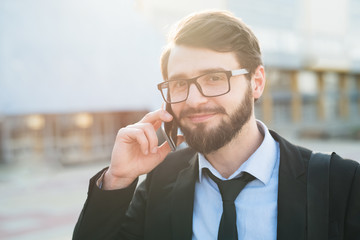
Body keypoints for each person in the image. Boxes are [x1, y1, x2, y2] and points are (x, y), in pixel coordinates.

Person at [73, 10, 360, 240]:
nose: (194, 100)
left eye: (214, 78)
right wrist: (118, 180)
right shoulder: (160, 182)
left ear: (256, 82)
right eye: (179, 83)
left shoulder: (341, 183)